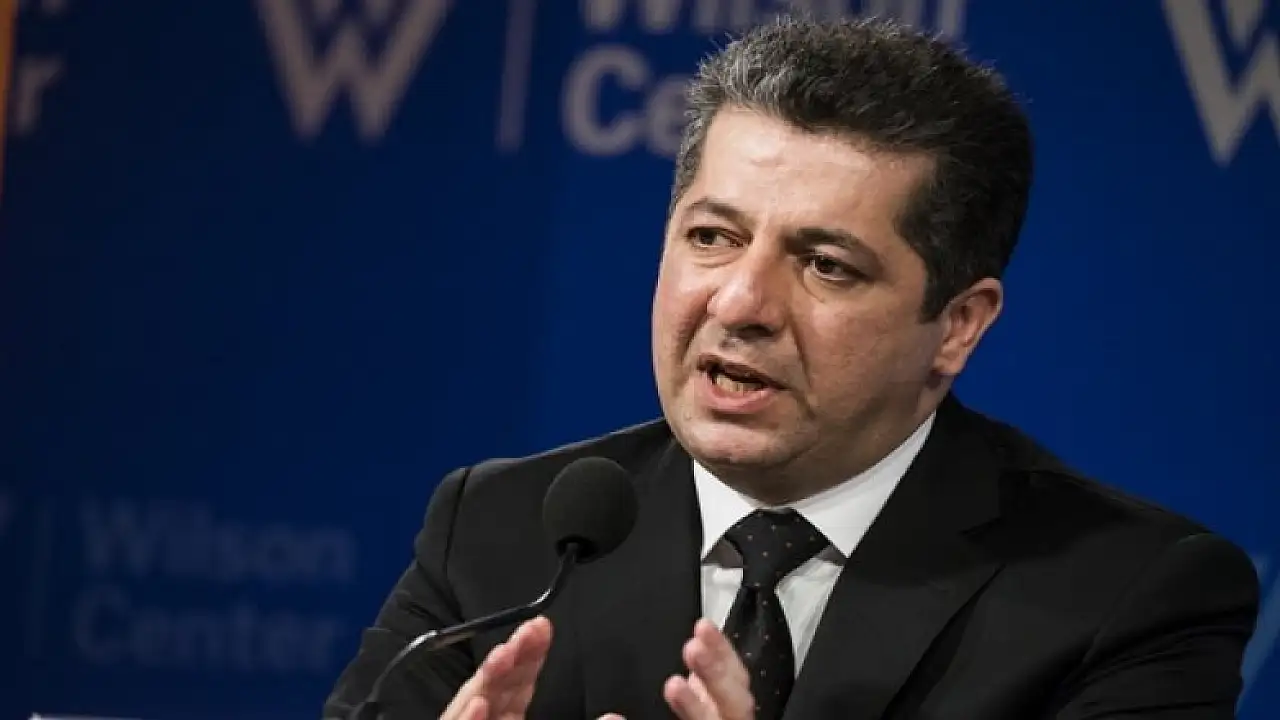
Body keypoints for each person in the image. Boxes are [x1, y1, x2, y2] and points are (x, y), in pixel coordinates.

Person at [323, 15, 1260, 720]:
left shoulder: (1127, 598)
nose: (740, 303)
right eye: (713, 237)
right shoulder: (499, 535)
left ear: (957, 326)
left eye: (826, 265)